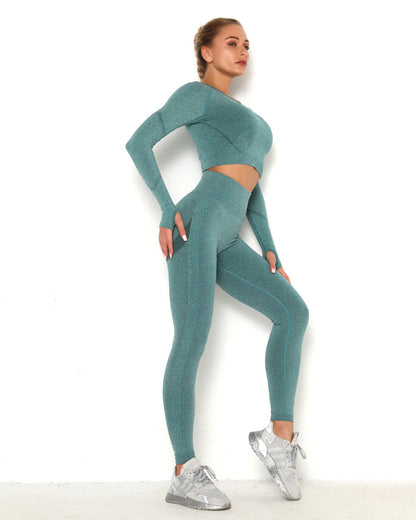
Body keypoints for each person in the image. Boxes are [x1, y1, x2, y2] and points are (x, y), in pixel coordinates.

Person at [125, 17, 309, 510]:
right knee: (191, 339)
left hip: (228, 230)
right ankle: (184, 471)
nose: (243, 50)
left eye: (247, 44)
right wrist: (166, 207)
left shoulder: (253, 119)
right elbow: (139, 142)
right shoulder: (197, 95)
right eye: (231, 42)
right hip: (196, 225)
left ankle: (279, 438)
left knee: (293, 313)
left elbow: (251, 185)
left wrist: (268, 245)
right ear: (206, 52)